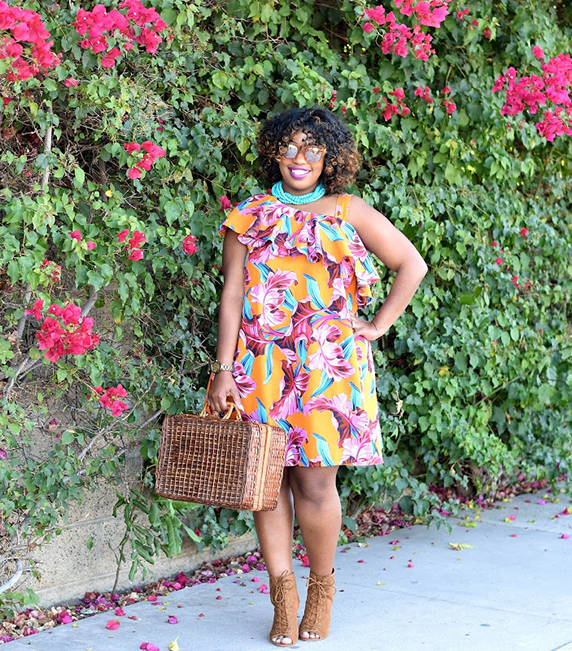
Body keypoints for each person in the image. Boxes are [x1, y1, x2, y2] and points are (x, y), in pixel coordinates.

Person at [208, 106, 427, 646]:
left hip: (327, 372)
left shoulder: (347, 210)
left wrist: (377, 325)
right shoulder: (249, 215)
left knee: (315, 483)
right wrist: (221, 369)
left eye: (311, 148)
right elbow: (231, 295)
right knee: (264, 484)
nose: (298, 158)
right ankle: (282, 600)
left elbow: (411, 264)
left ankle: (321, 590)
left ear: (329, 155)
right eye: (288, 146)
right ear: (274, 152)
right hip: (258, 365)